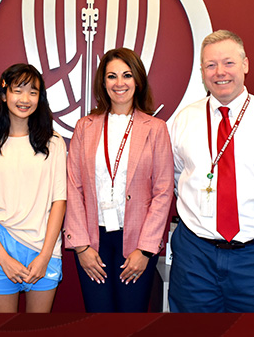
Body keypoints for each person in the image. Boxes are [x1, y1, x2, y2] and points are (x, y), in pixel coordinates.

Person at [169, 29, 254, 312]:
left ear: (245, 64)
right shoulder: (185, 120)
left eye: (229, 62)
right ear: (202, 71)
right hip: (195, 255)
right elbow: (176, 174)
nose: (220, 72)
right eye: (211, 65)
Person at [64, 47, 174, 312]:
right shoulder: (85, 127)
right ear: (103, 82)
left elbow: (163, 191)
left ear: (137, 80)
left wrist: (146, 250)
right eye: (112, 76)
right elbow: (73, 186)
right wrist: (81, 247)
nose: (120, 83)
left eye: (127, 75)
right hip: (93, 240)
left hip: (137, 242)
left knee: (131, 319)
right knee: (99, 318)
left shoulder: (156, 129)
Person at [0, 64, 66, 313]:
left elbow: (59, 202)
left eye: (33, 92)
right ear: (4, 94)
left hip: (44, 250)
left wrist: (44, 256)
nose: (25, 99)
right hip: (1, 249)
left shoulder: (54, 144)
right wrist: (3, 258)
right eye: (18, 90)